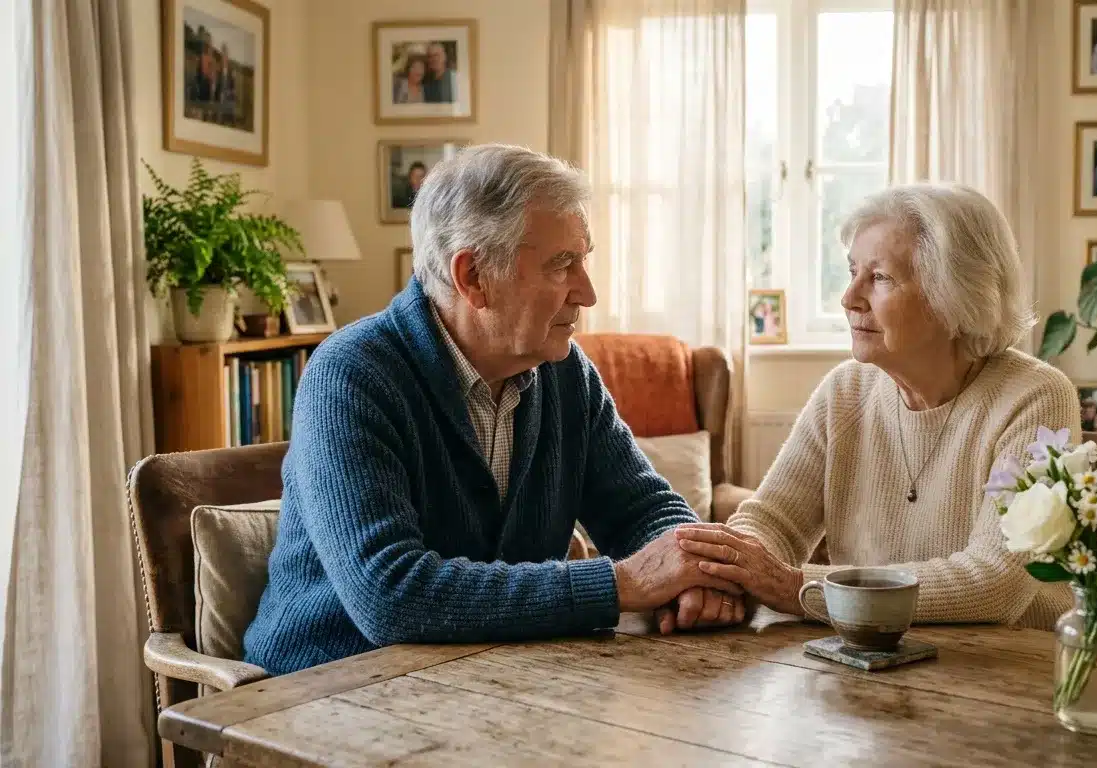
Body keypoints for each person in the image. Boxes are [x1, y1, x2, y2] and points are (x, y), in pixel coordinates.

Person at [243, 144, 744, 676]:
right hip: (327, 688)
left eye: (584, 260)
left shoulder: (565, 372)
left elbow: (641, 508)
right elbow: (391, 596)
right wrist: (624, 584)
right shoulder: (351, 375)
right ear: (473, 277)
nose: (587, 292)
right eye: (562, 265)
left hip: (489, 676)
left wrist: (693, 573)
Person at [674, 183, 1081, 632]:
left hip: (1006, 662)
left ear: (956, 294)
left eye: (881, 277)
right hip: (863, 655)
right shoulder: (846, 390)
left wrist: (796, 587)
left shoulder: (1035, 398)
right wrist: (722, 578)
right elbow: (772, 521)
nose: (849, 297)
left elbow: (994, 582)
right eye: (853, 271)